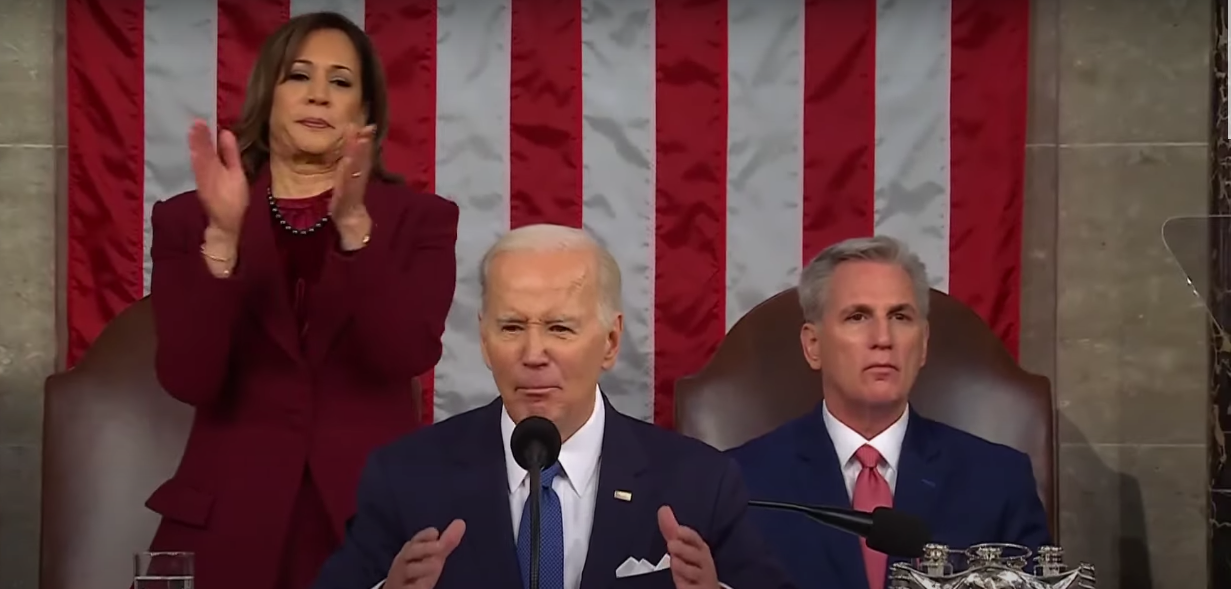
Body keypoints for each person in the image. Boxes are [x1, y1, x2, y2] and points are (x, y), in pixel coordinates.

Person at [143, 12, 458, 589]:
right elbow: (190, 378)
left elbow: (401, 354)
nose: (318, 93)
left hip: (369, 528)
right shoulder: (187, 219)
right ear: (270, 94)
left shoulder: (422, 222)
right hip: (227, 522)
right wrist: (223, 241)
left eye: (340, 82)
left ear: (365, 112)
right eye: (299, 76)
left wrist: (356, 231)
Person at [311, 224, 795, 589]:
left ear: (609, 342)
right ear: (483, 340)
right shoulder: (406, 477)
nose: (533, 353)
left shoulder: (699, 484)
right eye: (511, 328)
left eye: (560, 328)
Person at [726, 235, 1051, 589]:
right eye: (858, 316)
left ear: (923, 344)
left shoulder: (999, 481)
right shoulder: (742, 482)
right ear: (813, 345)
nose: (883, 337)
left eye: (900, 316)